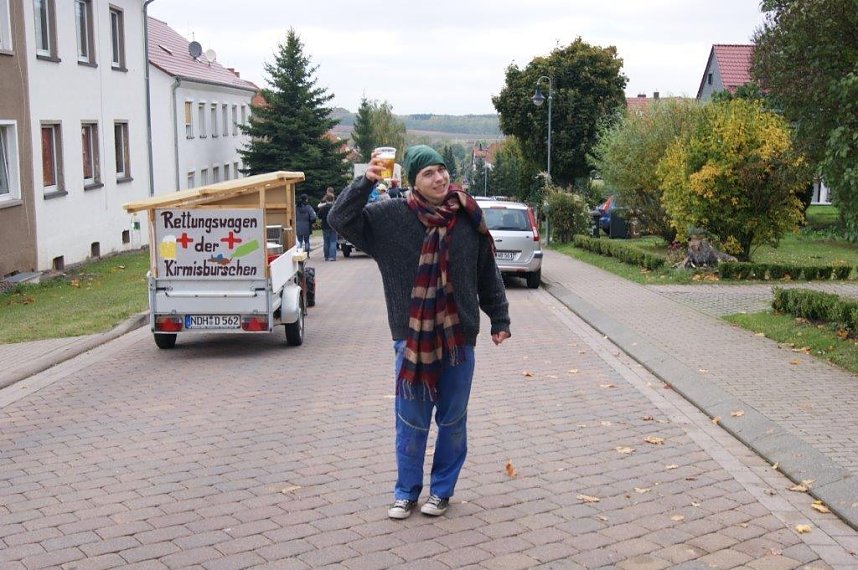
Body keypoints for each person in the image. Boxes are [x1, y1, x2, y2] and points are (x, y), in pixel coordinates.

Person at [329, 144, 511, 519]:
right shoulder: (389, 218)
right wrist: (365, 182)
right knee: (410, 420)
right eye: (428, 173)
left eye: (441, 169)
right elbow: (339, 219)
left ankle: (441, 491)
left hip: (459, 338)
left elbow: (486, 272)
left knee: (452, 421)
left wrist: (500, 318)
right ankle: (406, 492)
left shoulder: (467, 215)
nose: (439, 178)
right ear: (413, 181)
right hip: (411, 339)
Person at [317, 188, 337, 261]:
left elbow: (319, 216)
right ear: (332, 199)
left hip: (325, 226)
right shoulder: (335, 207)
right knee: (333, 241)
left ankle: (326, 256)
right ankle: (332, 257)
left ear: (326, 199)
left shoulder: (323, 208)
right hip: (333, 226)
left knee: (326, 242)